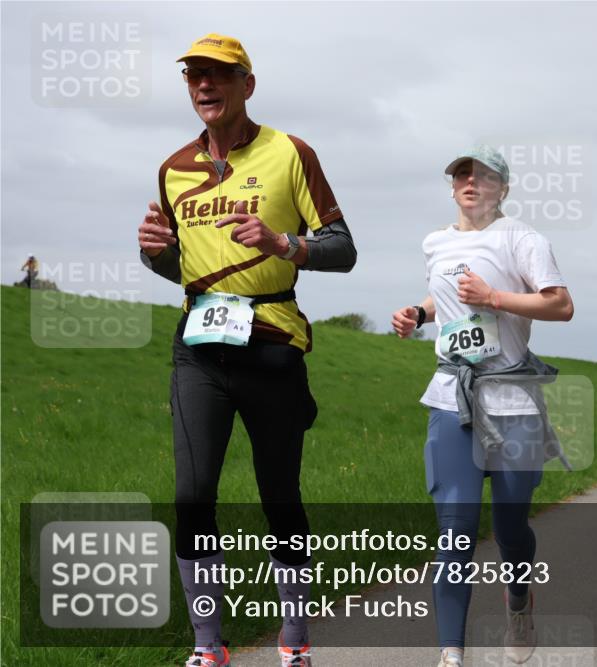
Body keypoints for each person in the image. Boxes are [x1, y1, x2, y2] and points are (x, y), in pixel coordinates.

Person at [138, 34, 357, 667]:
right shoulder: (173, 168)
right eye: (194, 76)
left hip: (273, 344)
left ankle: (294, 639)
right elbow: (183, 267)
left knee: (278, 492)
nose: (205, 86)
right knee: (192, 494)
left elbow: (342, 249)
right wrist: (154, 253)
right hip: (200, 350)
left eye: (219, 75)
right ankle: (208, 645)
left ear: (246, 85)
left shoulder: (291, 152)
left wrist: (285, 243)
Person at [391, 145, 573, 667]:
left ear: (503, 189)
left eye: (484, 176)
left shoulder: (523, 237)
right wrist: (417, 314)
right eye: (461, 175)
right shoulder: (435, 242)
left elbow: (560, 303)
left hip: (512, 398)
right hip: (452, 396)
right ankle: (452, 653)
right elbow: (444, 300)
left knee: (511, 523)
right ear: (452, 188)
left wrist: (494, 297)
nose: (471, 182)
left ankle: (519, 600)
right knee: (456, 529)